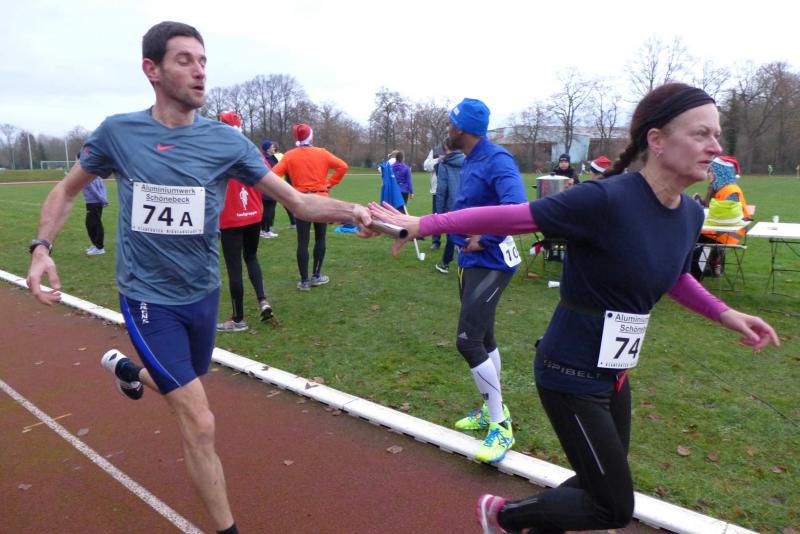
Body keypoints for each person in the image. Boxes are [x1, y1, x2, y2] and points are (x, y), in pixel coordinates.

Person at [370, 82, 779, 533]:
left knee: (598, 481)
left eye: (716, 134)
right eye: (701, 134)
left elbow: (677, 277)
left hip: (615, 373)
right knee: (613, 507)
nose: (715, 147)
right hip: (569, 372)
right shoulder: (604, 199)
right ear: (657, 140)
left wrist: (727, 314)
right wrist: (424, 223)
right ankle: (502, 516)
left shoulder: (690, 214)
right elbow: (513, 216)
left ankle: (512, 521)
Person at [25, 21, 372, 534]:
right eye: (185, 60)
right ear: (152, 69)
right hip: (147, 296)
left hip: (202, 292)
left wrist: (354, 210)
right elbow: (67, 189)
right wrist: (41, 248)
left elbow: (297, 202)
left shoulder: (226, 142)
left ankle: (128, 371)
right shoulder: (118, 133)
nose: (200, 71)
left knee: (186, 382)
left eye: (203, 61)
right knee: (199, 419)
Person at [431, 98, 528, 464]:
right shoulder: (471, 158)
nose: (448, 129)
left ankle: (501, 426)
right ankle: (490, 410)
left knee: (467, 341)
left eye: (451, 124)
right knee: (484, 338)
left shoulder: (497, 159)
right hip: (470, 261)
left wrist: (485, 237)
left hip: (491, 261)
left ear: (462, 129)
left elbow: (516, 208)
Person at [271, 123, 349, 290]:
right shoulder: (322, 152)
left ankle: (304, 280)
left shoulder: (290, 155)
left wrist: (289, 191)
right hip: (320, 200)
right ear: (311, 137)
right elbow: (343, 166)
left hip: (301, 202)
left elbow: (273, 175)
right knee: (320, 238)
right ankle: (316, 275)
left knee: (302, 241)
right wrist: (330, 183)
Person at [216, 111, 272, 332]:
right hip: (254, 214)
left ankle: (238, 319)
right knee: (251, 257)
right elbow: (267, 177)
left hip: (231, 217)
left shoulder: (217, 151)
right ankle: (263, 300)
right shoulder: (252, 150)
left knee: (234, 267)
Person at [691, 156, 751, 279]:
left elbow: (725, 216)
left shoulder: (731, 191)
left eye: (711, 171)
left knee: (693, 238)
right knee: (692, 236)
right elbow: (715, 211)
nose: (708, 174)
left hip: (729, 233)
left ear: (720, 173)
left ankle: (696, 272)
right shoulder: (718, 188)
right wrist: (699, 203)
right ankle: (704, 268)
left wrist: (701, 209)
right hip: (719, 229)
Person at [433, 137, 464, 274]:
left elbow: (441, 190)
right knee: (466, 233)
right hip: (467, 203)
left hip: (452, 205)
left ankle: (445, 263)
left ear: (446, 148)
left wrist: (439, 213)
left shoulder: (444, 164)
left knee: (452, 234)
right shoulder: (468, 160)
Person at [80, 154, 108, 256]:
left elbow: (93, 190)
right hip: (96, 202)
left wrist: (103, 200)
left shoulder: (87, 173)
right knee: (93, 224)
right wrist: (104, 199)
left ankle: (99, 248)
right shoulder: (95, 173)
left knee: (93, 224)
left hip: (93, 203)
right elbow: (102, 187)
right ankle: (96, 245)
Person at [424, 142, 446, 250]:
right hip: (437, 190)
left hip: (454, 189)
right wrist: (438, 160)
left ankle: (456, 242)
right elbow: (426, 166)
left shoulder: (459, 149)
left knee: (456, 215)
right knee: (437, 216)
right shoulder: (436, 151)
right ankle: (436, 241)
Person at [259, 140, 279, 238]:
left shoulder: (273, 157)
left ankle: (268, 228)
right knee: (267, 209)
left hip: (274, 187)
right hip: (267, 188)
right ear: (267, 148)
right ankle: (264, 230)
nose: (274, 148)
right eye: (272, 146)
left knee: (271, 209)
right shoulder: (264, 159)